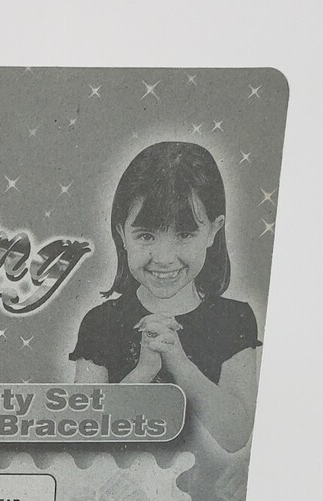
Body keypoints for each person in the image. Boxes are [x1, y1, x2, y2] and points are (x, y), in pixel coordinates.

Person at [70, 143, 259, 453]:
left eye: (184, 235)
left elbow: (235, 437)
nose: (164, 258)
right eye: (146, 235)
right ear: (122, 233)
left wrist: (181, 365)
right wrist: (143, 372)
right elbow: (82, 433)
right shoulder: (100, 323)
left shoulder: (234, 320)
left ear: (213, 231)